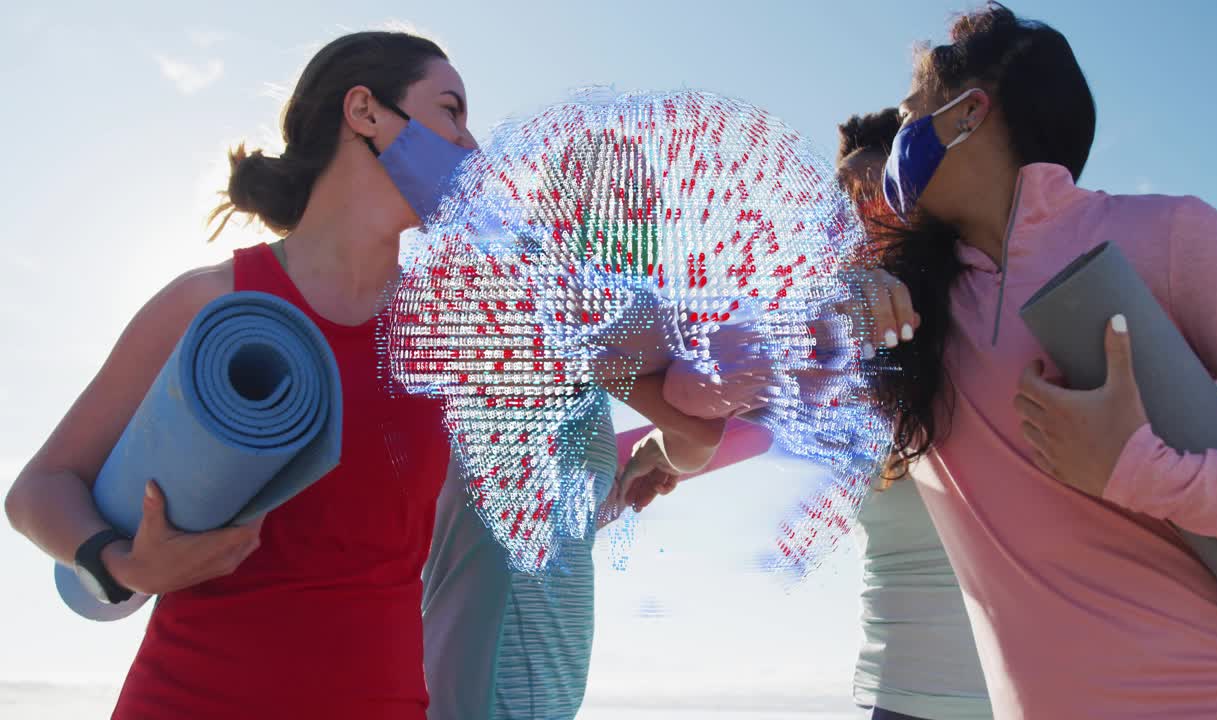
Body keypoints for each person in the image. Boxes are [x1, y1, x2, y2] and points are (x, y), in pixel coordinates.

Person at [5, 31, 477, 719]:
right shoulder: (210, 302)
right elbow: (39, 490)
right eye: (451, 111)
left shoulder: (452, 332)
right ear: (365, 112)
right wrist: (123, 566)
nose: (471, 144)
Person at [855, 3, 1217, 717]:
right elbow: (708, 391)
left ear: (967, 115)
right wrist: (827, 297)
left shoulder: (1171, 238)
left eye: (907, 117)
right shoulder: (907, 313)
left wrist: (1149, 476)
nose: (896, 144)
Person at [420, 134, 756, 720]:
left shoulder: (581, 350)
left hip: (536, 689)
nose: (642, 222)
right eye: (630, 202)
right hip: (492, 685)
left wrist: (624, 480)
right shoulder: (546, 316)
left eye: (645, 204)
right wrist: (662, 443)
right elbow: (701, 438)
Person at [836, 109, 993, 720]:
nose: (855, 218)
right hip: (897, 699)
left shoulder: (992, 315)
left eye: (873, 194)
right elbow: (715, 410)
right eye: (842, 204)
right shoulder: (838, 352)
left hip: (1035, 693)